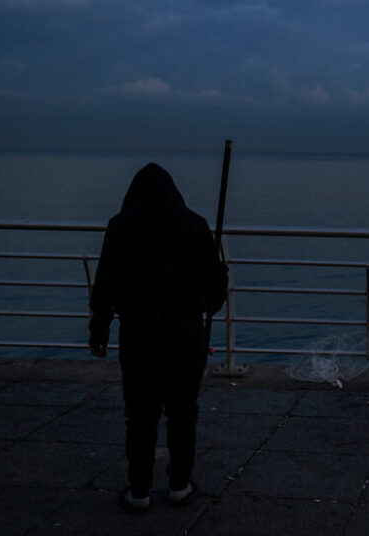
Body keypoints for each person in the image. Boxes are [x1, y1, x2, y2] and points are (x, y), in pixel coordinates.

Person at [89, 163, 228, 514]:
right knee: (183, 411)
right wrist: (211, 299)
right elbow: (215, 286)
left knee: (140, 414)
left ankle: (139, 492)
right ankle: (180, 486)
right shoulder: (195, 224)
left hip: (139, 334)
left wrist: (99, 329)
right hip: (186, 333)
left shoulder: (120, 226)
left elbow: (104, 285)